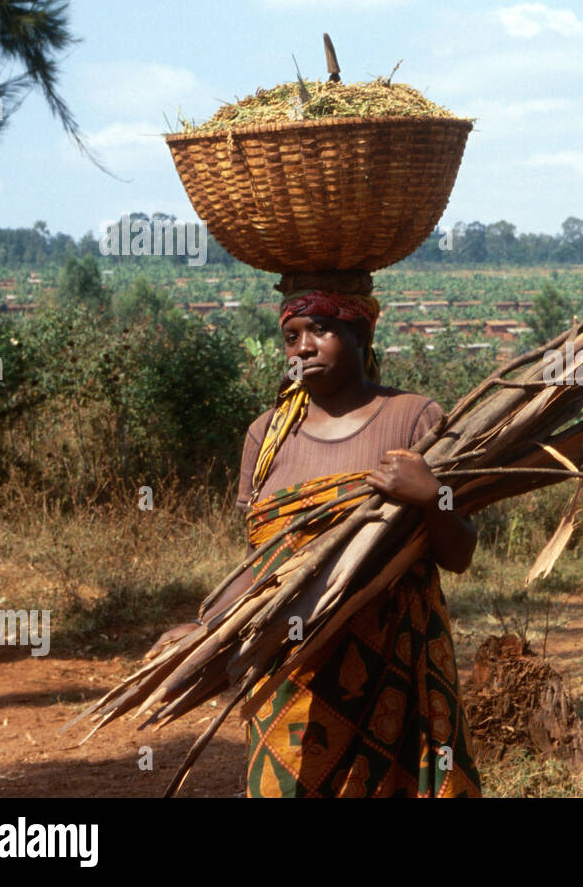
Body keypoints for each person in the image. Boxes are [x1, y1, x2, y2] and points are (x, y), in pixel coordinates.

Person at [147, 275, 482, 798]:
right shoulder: (268, 434)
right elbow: (266, 563)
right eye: (291, 335)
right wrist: (207, 627)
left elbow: (459, 552)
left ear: (361, 336)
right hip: (290, 664)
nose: (303, 347)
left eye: (321, 329)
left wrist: (429, 493)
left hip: (392, 664)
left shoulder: (413, 416)